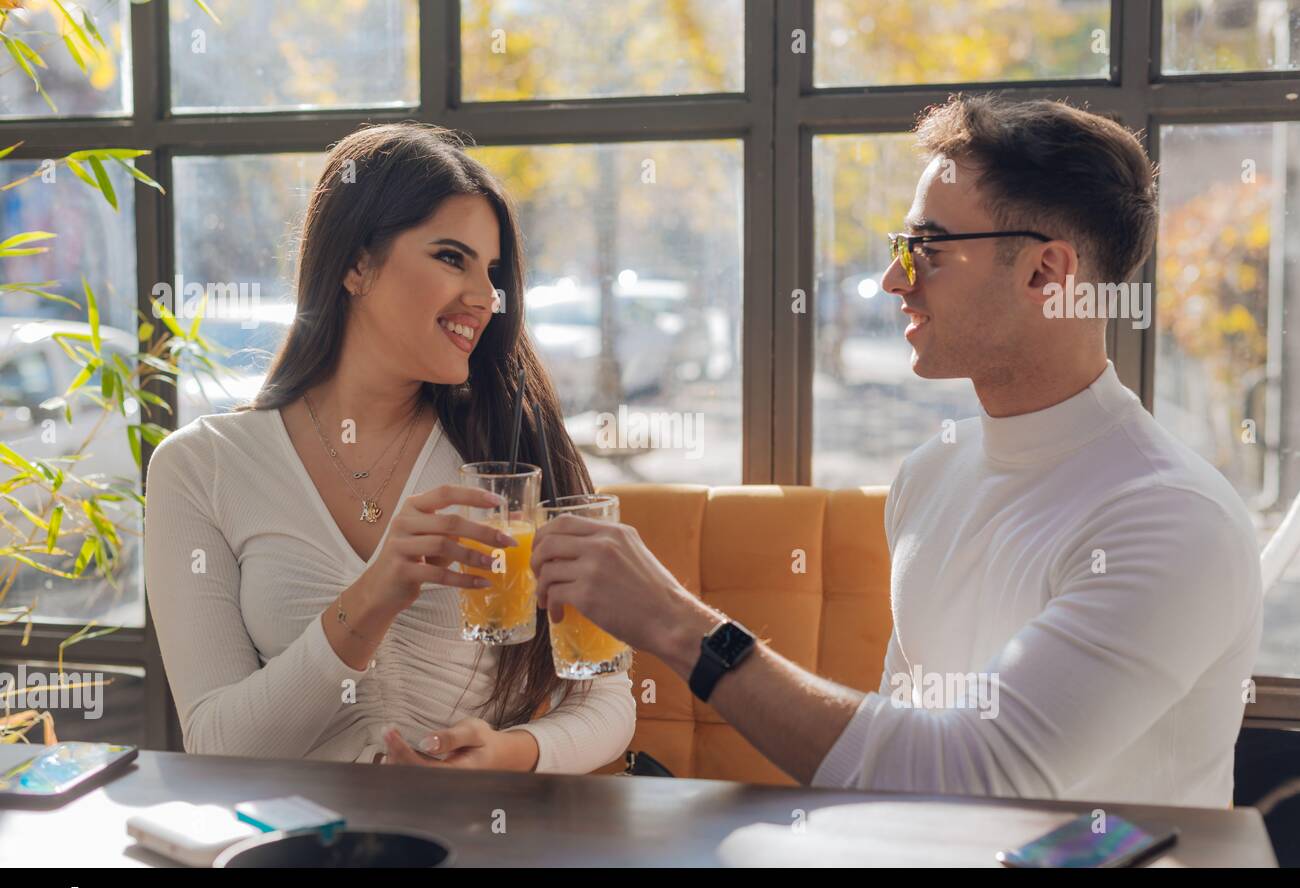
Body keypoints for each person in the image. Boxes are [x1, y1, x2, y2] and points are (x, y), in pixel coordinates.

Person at [531, 95, 1262, 808]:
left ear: (1047, 274)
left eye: (926, 249)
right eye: (898, 248)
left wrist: (673, 621)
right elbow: (897, 757)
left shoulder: (1170, 518)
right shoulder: (930, 474)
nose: (893, 280)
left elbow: (974, 772)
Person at [144, 123, 635, 772]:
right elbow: (216, 745)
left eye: (491, 271)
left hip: (477, 840)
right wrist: (375, 592)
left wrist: (509, 754)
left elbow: (608, 696)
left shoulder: (511, 449)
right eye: (451, 257)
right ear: (355, 263)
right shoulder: (200, 466)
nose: (485, 297)